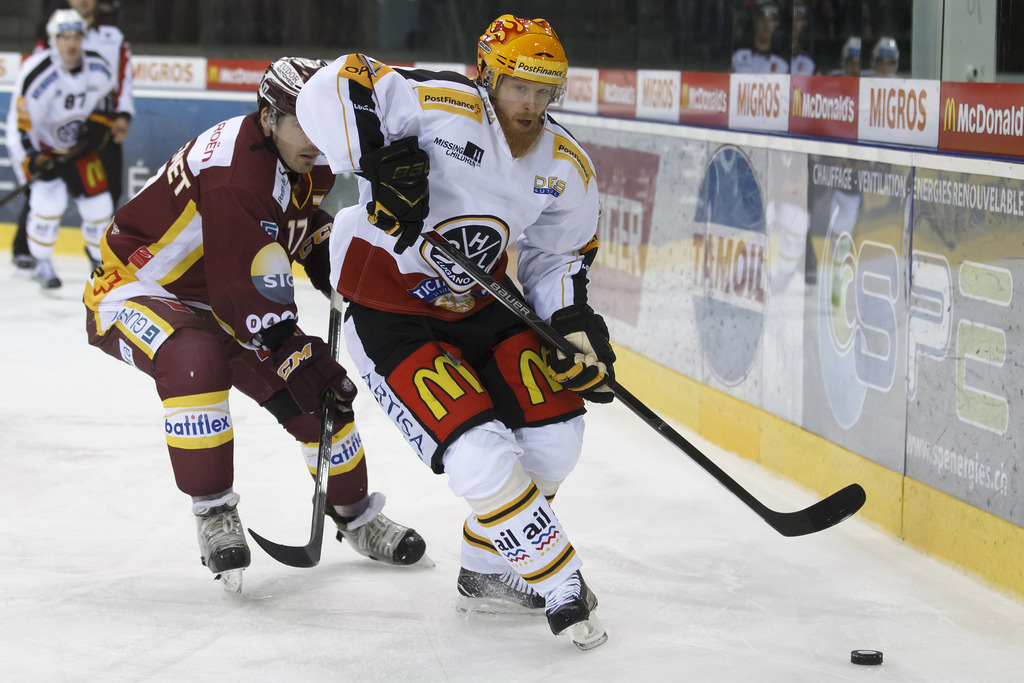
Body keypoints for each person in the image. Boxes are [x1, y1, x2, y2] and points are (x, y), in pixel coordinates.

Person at [296, 14, 613, 650]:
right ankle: (557, 576)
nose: (532, 103)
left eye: (545, 90)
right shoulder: (439, 104)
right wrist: (378, 162)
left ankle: (490, 569)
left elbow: (560, 258)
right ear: (488, 75)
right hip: (386, 310)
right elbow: (335, 81)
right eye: (519, 86)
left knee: (557, 438)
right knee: (478, 452)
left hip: (481, 301)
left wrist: (573, 328)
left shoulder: (564, 165)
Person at [82, 57, 427, 593]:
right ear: (268, 117)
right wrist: (293, 349)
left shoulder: (302, 156)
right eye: (301, 122)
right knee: (197, 360)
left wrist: (331, 265)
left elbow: (298, 222)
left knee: (321, 398)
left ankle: (354, 514)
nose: (316, 136)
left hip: (223, 294)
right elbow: (244, 289)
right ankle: (214, 510)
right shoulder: (235, 173)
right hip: (137, 287)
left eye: (322, 120)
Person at [11, 0, 134, 272]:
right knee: (46, 204)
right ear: (53, 40)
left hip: (80, 150)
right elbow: (20, 124)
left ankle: (101, 263)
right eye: (65, 37)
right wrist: (32, 157)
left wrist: (98, 126)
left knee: (100, 206)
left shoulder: (98, 65)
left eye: (77, 36)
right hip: (46, 149)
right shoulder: (37, 73)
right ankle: (41, 262)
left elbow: (107, 97)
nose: (72, 43)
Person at [732, 0, 788, 74]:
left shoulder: (782, 65)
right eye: (762, 19)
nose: (766, 25)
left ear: (776, 24)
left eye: (771, 20)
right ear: (755, 20)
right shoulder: (738, 57)